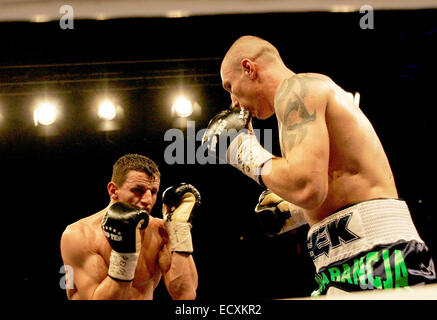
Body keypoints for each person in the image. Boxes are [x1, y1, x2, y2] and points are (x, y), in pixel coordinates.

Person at [203, 35, 436, 295]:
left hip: (378, 257)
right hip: (341, 263)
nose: (233, 102)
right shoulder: (297, 103)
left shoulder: (297, 89)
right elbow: (340, 179)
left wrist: (243, 151)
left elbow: (307, 187)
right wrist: (293, 211)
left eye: (229, 86)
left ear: (249, 68)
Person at [60, 154, 200, 300]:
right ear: (113, 190)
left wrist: (179, 228)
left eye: (153, 192)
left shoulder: (160, 230)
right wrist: (124, 255)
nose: (147, 200)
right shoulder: (80, 235)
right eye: (138, 190)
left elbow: (185, 295)